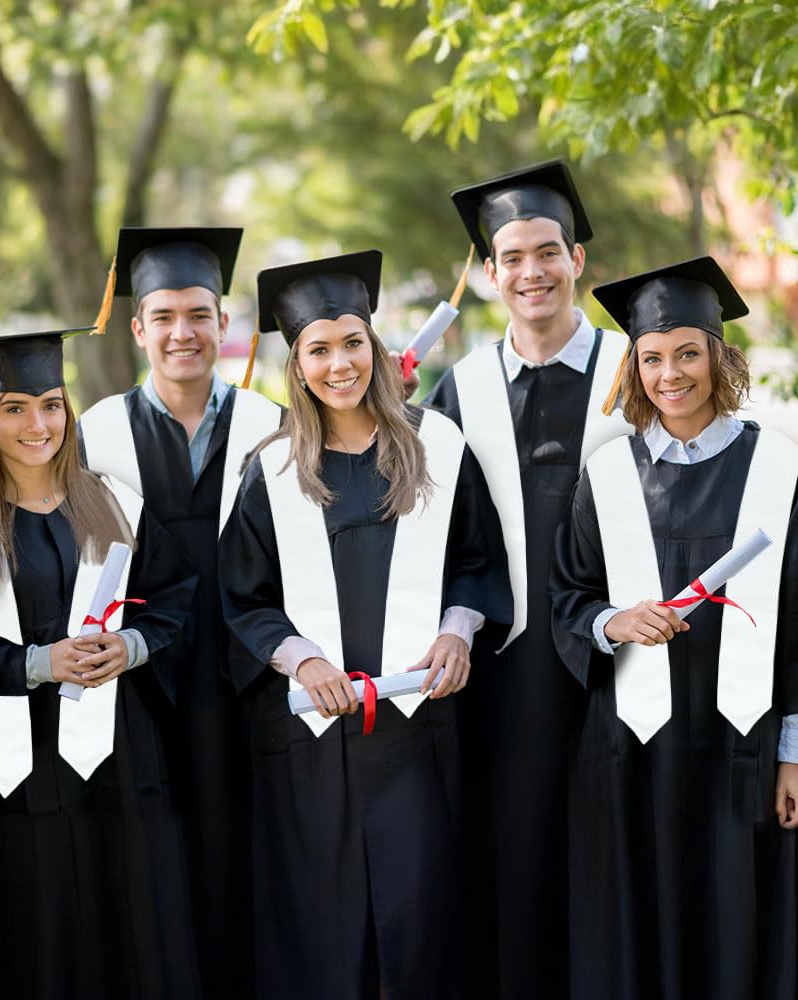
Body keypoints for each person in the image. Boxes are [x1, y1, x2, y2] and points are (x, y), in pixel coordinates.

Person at [220, 250, 512, 999]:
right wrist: (299, 657)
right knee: (322, 930)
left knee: (422, 925)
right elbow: (244, 599)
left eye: (352, 342)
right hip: (313, 740)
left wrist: (458, 628)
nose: (339, 362)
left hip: (419, 733)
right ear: (298, 363)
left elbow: (477, 563)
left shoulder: (438, 446)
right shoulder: (275, 467)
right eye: (318, 349)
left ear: (375, 348)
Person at [550, 257, 798, 1000]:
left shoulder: (778, 469)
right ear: (634, 367)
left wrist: (795, 753)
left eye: (687, 352)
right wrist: (612, 621)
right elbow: (570, 594)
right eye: (651, 358)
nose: (670, 374)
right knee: (642, 922)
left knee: (738, 919)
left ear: (718, 356)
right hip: (632, 747)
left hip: (743, 749)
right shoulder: (609, 474)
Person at [0, 327, 201, 999]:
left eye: (51, 404)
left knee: (134, 917)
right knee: (45, 929)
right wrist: (39, 662)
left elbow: (177, 599)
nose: (38, 423)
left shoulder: (114, 503)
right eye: (16, 408)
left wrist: (132, 644)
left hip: (124, 755)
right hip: (25, 769)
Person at [424, 160, 632, 999]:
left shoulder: (637, 370)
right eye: (512, 258)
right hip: (506, 673)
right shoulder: (460, 388)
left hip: (625, 661)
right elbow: (433, 537)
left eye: (548, 252)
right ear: (487, 274)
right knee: (512, 853)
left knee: (616, 846)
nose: (532, 272)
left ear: (577, 259)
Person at [79, 227, 280, 998]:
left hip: (251, 681)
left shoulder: (272, 426)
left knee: (247, 856)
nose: (182, 332)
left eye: (199, 314)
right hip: (140, 691)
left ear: (222, 323)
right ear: (138, 328)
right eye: (163, 316)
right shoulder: (93, 434)